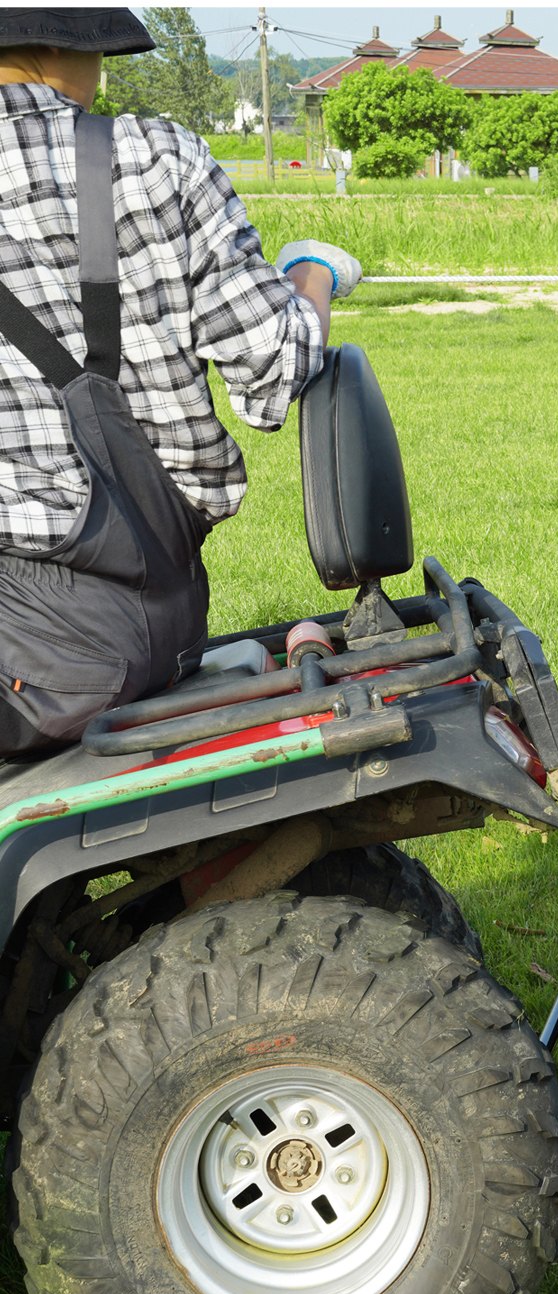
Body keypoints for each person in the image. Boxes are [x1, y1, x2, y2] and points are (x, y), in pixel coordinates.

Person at [0, 7, 361, 756]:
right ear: (66, 45)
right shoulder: (154, 158)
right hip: (155, 618)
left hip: (24, 650)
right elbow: (276, 367)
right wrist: (313, 274)